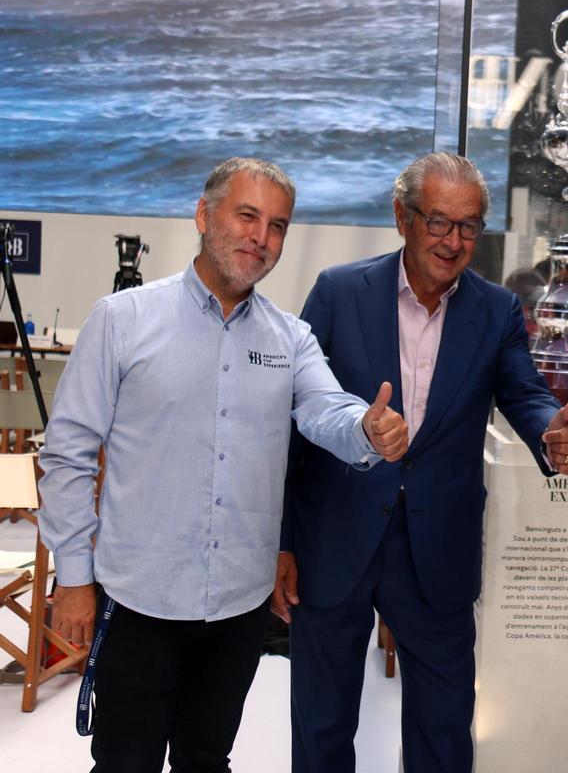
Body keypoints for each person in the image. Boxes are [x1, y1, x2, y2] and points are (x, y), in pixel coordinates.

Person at [37, 157, 408, 773]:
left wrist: (367, 429)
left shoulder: (290, 338)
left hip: (238, 607)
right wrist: (74, 577)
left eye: (278, 225)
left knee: (206, 759)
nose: (262, 238)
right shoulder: (123, 320)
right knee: (124, 762)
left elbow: (326, 409)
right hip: (138, 601)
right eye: (247, 216)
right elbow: (67, 453)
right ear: (204, 216)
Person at [277, 152, 568, 773]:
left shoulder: (495, 309)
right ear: (403, 217)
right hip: (335, 537)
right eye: (439, 222)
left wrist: (549, 437)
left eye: (469, 226)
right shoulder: (340, 293)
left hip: (437, 551)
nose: (453, 241)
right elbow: (295, 420)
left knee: (444, 733)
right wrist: (283, 541)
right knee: (321, 723)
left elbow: (523, 392)